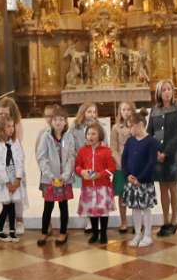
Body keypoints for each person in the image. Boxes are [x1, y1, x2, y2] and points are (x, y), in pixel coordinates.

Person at [147, 80, 177, 237]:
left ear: (173, 91)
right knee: (162, 187)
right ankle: (165, 221)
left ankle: (174, 220)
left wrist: (166, 152)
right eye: (163, 90)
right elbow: (149, 132)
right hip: (158, 154)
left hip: (173, 153)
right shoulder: (155, 110)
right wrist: (156, 151)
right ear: (159, 93)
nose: (166, 92)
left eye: (169, 89)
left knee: (172, 186)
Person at [35, 105, 74, 246]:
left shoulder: (69, 137)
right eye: (55, 119)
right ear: (51, 122)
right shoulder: (45, 136)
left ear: (65, 122)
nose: (58, 122)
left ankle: (63, 232)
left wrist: (65, 175)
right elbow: (41, 157)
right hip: (49, 179)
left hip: (64, 179)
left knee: (63, 206)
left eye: (61, 119)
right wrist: (50, 175)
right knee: (48, 206)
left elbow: (71, 157)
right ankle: (44, 231)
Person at [120, 113, 160, 247]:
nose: (130, 130)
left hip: (145, 182)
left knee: (146, 208)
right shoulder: (130, 141)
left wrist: (140, 179)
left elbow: (151, 163)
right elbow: (124, 159)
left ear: (140, 125)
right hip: (131, 181)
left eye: (131, 127)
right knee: (135, 209)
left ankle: (147, 235)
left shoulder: (152, 141)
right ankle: (138, 233)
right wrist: (127, 175)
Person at [75, 122, 116, 244]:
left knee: (103, 212)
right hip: (88, 188)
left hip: (103, 187)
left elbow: (111, 168)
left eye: (93, 133)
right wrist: (82, 172)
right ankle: (95, 233)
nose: (90, 136)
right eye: (88, 133)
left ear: (100, 135)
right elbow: (77, 166)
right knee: (91, 211)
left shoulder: (106, 151)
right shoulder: (82, 151)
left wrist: (100, 174)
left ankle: (103, 234)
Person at [0, 118, 24, 242]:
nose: (11, 129)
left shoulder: (15, 142)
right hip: (3, 179)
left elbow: (20, 159)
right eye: (8, 126)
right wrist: (7, 182)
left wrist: (18, 178)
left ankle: (12, 232)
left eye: (12, 126)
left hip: (14, 177)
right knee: (7, 205)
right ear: (2, 128)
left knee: (12, 205)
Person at [109, 101, 135, 235]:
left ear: (132, 111)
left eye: (128, 109)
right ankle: (123, 221)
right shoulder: (115, 128)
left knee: (136, 193)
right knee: (123, 195)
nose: (126, 112)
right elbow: (113, 148)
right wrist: (121, 163)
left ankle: (137, 221)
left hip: (135, 165)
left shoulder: (137, 126)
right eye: (123, 110)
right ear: (120, 112)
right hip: (120, 166)